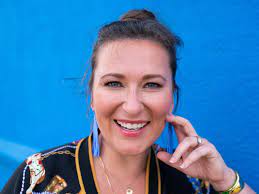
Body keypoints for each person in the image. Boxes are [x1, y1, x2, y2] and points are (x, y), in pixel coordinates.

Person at [1, 9, 256, 194]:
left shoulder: (193, 183)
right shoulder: (37, 178)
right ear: (92, 95)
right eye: (114, 83)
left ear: (172, 97)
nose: (132, 106)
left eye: (152, 85)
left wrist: (224, 180)